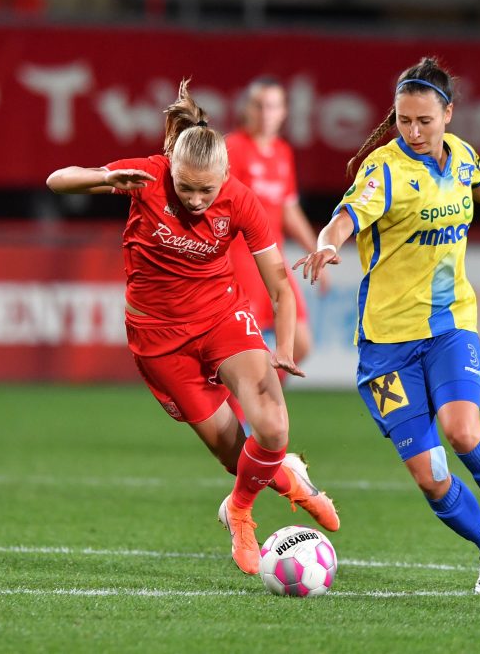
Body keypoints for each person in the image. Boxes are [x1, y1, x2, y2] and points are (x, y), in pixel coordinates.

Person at [295, 57, 480, 595]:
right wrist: (325, 244)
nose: (413, 131)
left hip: (451, 324)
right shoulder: (383, 170)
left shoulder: (460, 157)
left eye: (424, 121)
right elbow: (346, 217)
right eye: (403, 121)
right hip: (386, 347)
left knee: (463, 431)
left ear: (448, 114)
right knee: (430, 475)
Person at [46, 79, 339, 575]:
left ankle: (240, 513)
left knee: (271, 425)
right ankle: (289, 482)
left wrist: (284, 348)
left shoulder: (241, 200)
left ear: (226, 173)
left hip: (222, 317)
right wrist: (103, 180)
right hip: (159, 341)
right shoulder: (146, 175)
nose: (198, 199)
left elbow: (281, 286)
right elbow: (57, 179)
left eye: (208, 188)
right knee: (234, 455)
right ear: (171, 169)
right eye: (186, 187)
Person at [226, 77, 322, 380]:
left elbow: (288, 209)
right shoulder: (233, 148)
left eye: (272, 106)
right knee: (244, 347)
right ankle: (243, 412)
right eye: (259, 105)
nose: (265, 113)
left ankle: (261, 398)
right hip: (241, 259)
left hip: (274, 259)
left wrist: (318, 250)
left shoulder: (282, 152)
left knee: (300, 343)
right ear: (247, 109)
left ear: (283, 112)